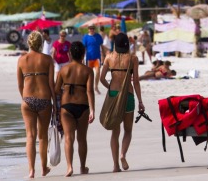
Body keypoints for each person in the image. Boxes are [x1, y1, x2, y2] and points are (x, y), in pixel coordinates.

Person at [99, 32, 144, 172]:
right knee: (128, 130)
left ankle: (115, 166)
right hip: (128, 95)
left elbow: (101, 78)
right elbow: (135, 81)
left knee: (115, 132)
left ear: (115, 44)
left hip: (113, 94)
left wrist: (110, 88)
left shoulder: (108, 58)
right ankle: (123, 154)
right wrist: (141, 101)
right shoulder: (133, 59)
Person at [16, 31, 56, 178]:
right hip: (45, 100)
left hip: (28, 100)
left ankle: (31, 170)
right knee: (43, 136)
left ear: (29, 43)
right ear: (41, 43)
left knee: (30, 136)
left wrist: (25, 98)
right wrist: (55, 105)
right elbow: (51, 84)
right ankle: (44, 168)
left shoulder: (21, 60)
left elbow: (20, 85)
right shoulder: (47, 59)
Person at [55, 41, 95, 177]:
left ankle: (69, 167)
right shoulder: (88, 71)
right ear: (83, 54)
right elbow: (90, 91)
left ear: (69, 54)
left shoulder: (63, 70)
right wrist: (93, 110)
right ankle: (83, 167)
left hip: (67, 107)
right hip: (83, 106)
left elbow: (56, 90)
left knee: (68, 138)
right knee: (82, 139)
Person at [82, 25, 103, 94]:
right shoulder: (86, 37)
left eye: (93, 28)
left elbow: (101, 46)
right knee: (90, 74)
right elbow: (84, 48)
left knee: (97, 72)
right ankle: (89, 87)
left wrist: (104, 55)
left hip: (97, 57)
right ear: (88, 29)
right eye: (90, 28)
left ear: (94, 29)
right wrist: (82, 58)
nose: (92, 30)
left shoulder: (98, 36)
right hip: (89, 58)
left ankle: (96, 86)